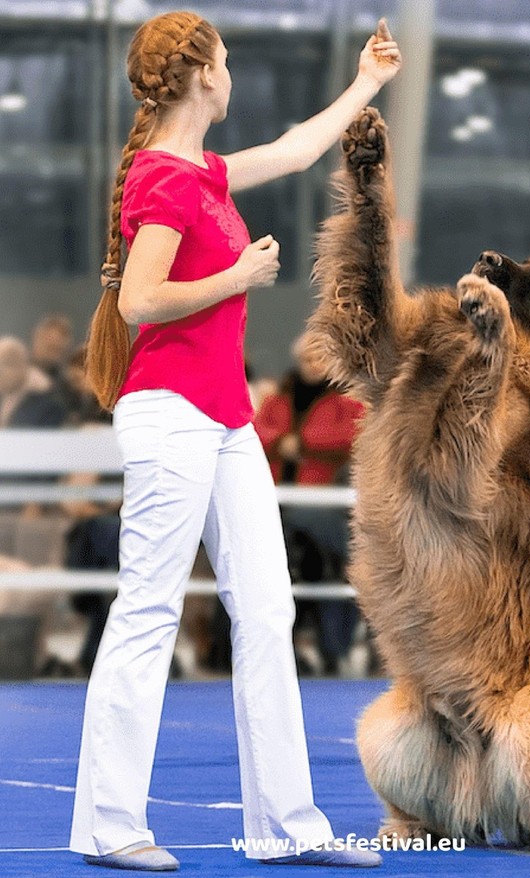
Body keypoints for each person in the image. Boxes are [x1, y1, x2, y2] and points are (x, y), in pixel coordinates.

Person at [69, 11, 400, 871]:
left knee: (268, 609)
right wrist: (239, 276)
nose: (232, 72)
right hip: (171, 413)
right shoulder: (164, 182)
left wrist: (366, 83)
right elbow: (141, 303)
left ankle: (286, 827)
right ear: (203, 78)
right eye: (227, 61)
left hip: (221, 421)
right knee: (148, 610)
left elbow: (293, 150)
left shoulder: (204, 172)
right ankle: (110, 827)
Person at [255, 334, 365, 675]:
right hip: (274, 498)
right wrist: (281, 442)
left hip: (321, 502)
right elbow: (255, 431)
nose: (313, 365)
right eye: (308, 358)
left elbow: (354, 435)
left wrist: (300, 443)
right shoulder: (277, 400)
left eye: (320, 358)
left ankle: (329, 647)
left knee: (327, 563)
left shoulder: (346, 400)